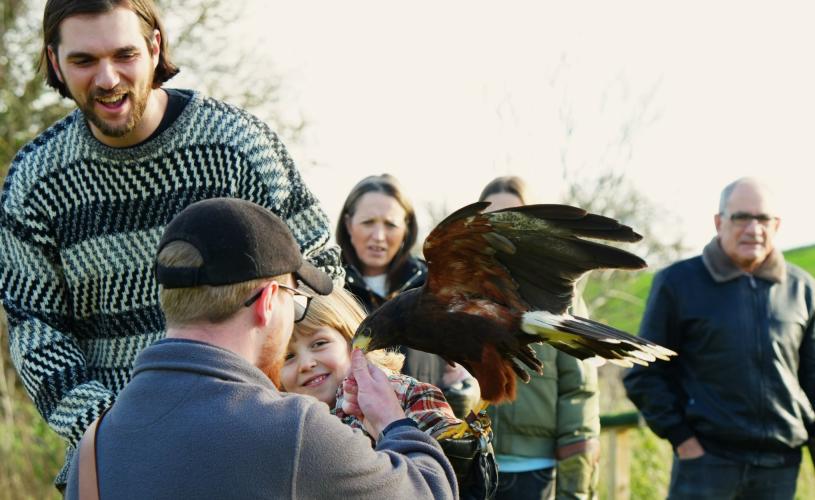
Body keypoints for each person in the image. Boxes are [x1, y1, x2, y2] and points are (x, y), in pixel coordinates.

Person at [0, 0, 341, 489]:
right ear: (55, 62)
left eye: (124, 54)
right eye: (83, 61)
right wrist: (111, 427)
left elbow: (321, 267)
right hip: (117, 460)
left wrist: (275, 397)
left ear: (154, 46)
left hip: (251, 447)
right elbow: (36, 330)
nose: (107, 78)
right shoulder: (36, 182)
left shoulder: (236, 148)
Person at [63, 197, 457, 499]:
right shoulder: (294, 431)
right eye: (294, 299)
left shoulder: (93, 446)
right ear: (269, 300)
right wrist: (393, 422)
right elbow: (428, 491)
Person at [623, 177, 815, 499]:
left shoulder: (802, 290)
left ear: (777, 224)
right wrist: (683, 440)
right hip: (706, 463)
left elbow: (811, 378)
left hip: (779, 467)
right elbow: (644, 373)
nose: (753, 229)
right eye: (741, 217)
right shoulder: (678, 283)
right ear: (718, 222)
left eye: (763, 218)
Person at [276, 286, 497, 499]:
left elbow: (453, 470)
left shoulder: (404, 394)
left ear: (353, 341)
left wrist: (390, 427)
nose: (306, 363)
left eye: (319, 343)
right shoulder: (282, 421)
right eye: (287, 357)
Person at [479, 176, 601, 500]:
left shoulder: (559, 294)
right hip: (471, 466)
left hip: (533, 473)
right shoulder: (460, 291)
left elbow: (579, 392)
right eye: (493, 218)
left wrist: (577, 488)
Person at [336, 173, 478, 417]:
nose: (379, 236)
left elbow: (470, 357)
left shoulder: (435, 287)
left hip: (428, 437)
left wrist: (470, 388)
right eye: (368, 222)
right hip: (350, 441)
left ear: (406, 229)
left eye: (390, 224)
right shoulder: (329, 290)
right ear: (348, 224)